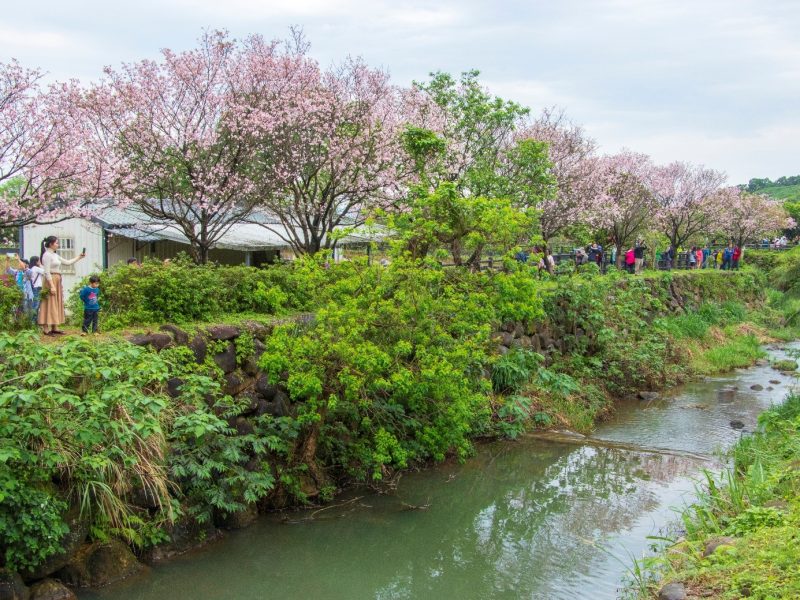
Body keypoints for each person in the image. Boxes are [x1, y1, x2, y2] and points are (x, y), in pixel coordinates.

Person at [39, 236, 86, 335]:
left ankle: (54, 326)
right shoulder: (46, 255)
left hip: (57, 279)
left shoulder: (55, 255)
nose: (58, 245)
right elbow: (46, 272)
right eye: (56, 243)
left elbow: (68, 262)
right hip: (50, 280)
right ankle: (45, 328)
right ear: (51, 244)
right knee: (49, 302)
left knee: (56, 302)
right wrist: (52, 286)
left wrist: (79, 257)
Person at [27, 256, 44, 323]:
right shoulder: (36, 268)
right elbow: (45, 271)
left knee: (35, 304)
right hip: (37, 288)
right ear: (36, 262)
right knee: (36, 305)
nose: (40, 262)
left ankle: (33, 321)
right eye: (39, 260)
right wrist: (40, 265)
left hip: (34, 288)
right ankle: (33, 322)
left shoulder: (31, 268)